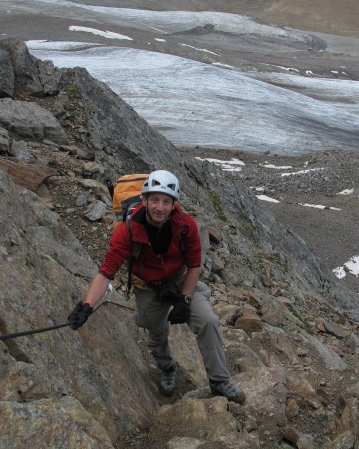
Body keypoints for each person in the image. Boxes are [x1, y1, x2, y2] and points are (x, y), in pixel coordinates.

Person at [68, 169, 245, 404]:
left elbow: (194, 265)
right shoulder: (129, 230)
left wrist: (185, 299)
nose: (159, 207)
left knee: (208, 321)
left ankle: (219, 380)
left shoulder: (186, 225)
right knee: (156, 330)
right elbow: (107, 270)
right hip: (148, 285)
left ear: (173, 204)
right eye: (154, 200)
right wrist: (87, 305)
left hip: (181, 279)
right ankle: (167, 367)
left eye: (165, 201)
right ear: (145, 200)